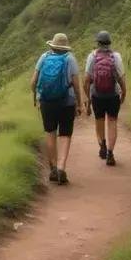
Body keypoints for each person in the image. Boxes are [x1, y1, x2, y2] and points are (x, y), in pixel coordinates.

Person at [31, 32, 87, 185]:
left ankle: (53, 168)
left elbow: (33, 81)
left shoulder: (44, 58)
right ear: (66, 46)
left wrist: (36, 98)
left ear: (53, 45)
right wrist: (80, 103)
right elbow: (76, 85)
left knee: (50, 133)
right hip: (66, 102)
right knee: (65, 135)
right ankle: (62, 168)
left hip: (47, 102)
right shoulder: (70, 59)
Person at [82, 30, 126, 166]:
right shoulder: (116, 56)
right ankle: (110, 153)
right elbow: (121, 78)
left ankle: (102, 145)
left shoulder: (92, 56)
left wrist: (88, 99)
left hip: (97, 95)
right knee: (112, 122)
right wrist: (123, 92)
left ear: (98, 43)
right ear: (109, 43)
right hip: (113, 95)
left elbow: (86, 80)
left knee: (99, 121)